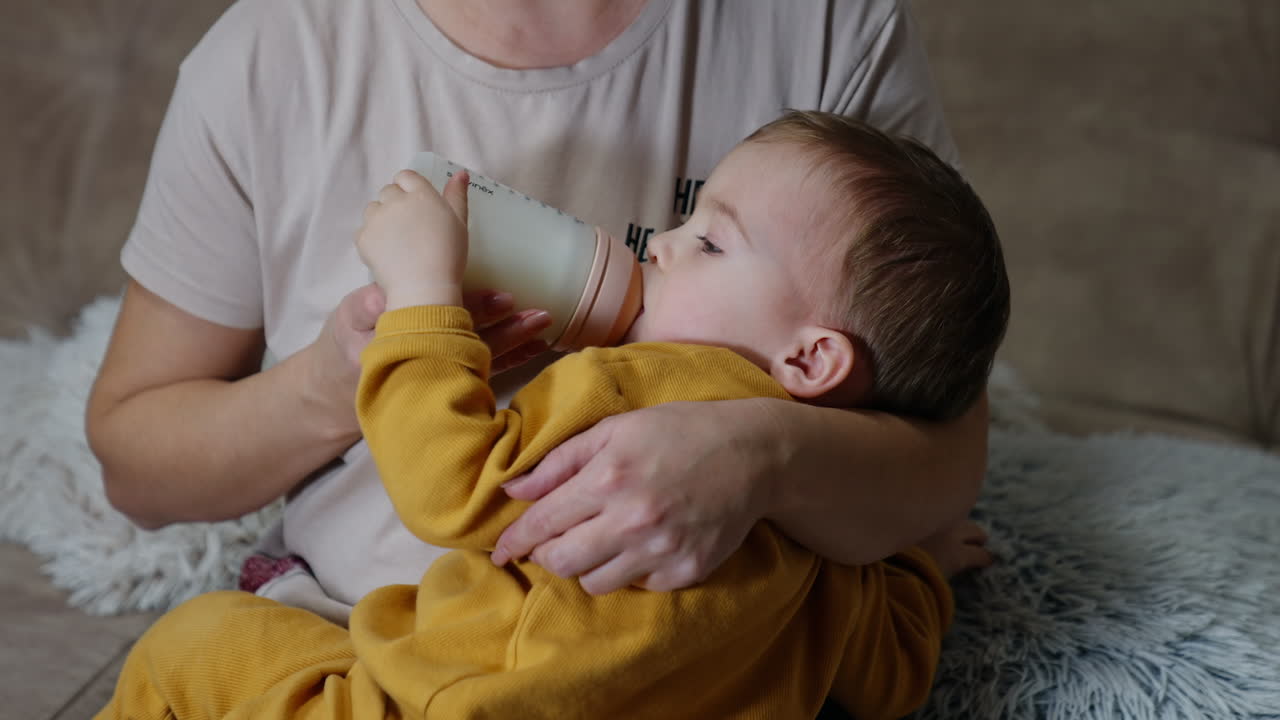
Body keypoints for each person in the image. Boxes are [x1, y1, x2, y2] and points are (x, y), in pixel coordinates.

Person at [86, 0, 989, 623]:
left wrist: (761, 456)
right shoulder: (274, 55)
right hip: (367, 623)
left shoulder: (826, 25)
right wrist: (341, 379)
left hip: (686, 643)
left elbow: (946, 442)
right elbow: (135, 466)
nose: (657, 247)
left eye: (709, 238)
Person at [98, 110, 1004, 720]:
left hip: (432, 706)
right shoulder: (830, 550)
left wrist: (421, 297)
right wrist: (915, 566)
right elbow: (893, 674)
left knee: (202, 643)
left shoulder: (645, 387)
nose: (662, 244)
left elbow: (453, 488)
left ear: (810, 359)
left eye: (710, 241)